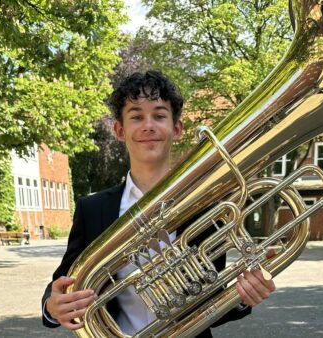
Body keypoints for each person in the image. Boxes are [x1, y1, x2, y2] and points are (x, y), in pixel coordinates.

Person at [41, 70, 276, 337]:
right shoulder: (92, 209)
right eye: (137, 116)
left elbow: (211, 299)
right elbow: (63, 283)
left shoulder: (207, 206)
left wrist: (243, 295)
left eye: (160, 115)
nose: (148, 125)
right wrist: (52, 306)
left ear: (176, 128)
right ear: (120, 130)